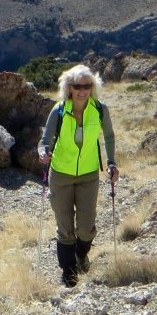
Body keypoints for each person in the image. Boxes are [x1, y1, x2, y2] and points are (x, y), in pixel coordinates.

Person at [37, 64, 117, 287]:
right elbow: (44, 140)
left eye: (87, 85)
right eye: (77, 86)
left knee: (86, 227)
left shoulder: (100, 110)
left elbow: (109, 137)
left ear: (93, 86)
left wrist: (111, 163)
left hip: (89, 175)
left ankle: (81, 255)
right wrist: (43, 152)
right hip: (61, 174)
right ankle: (69, 273)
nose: (82, 90)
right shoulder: (59, 110)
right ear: (69, 87)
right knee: (64, 227)